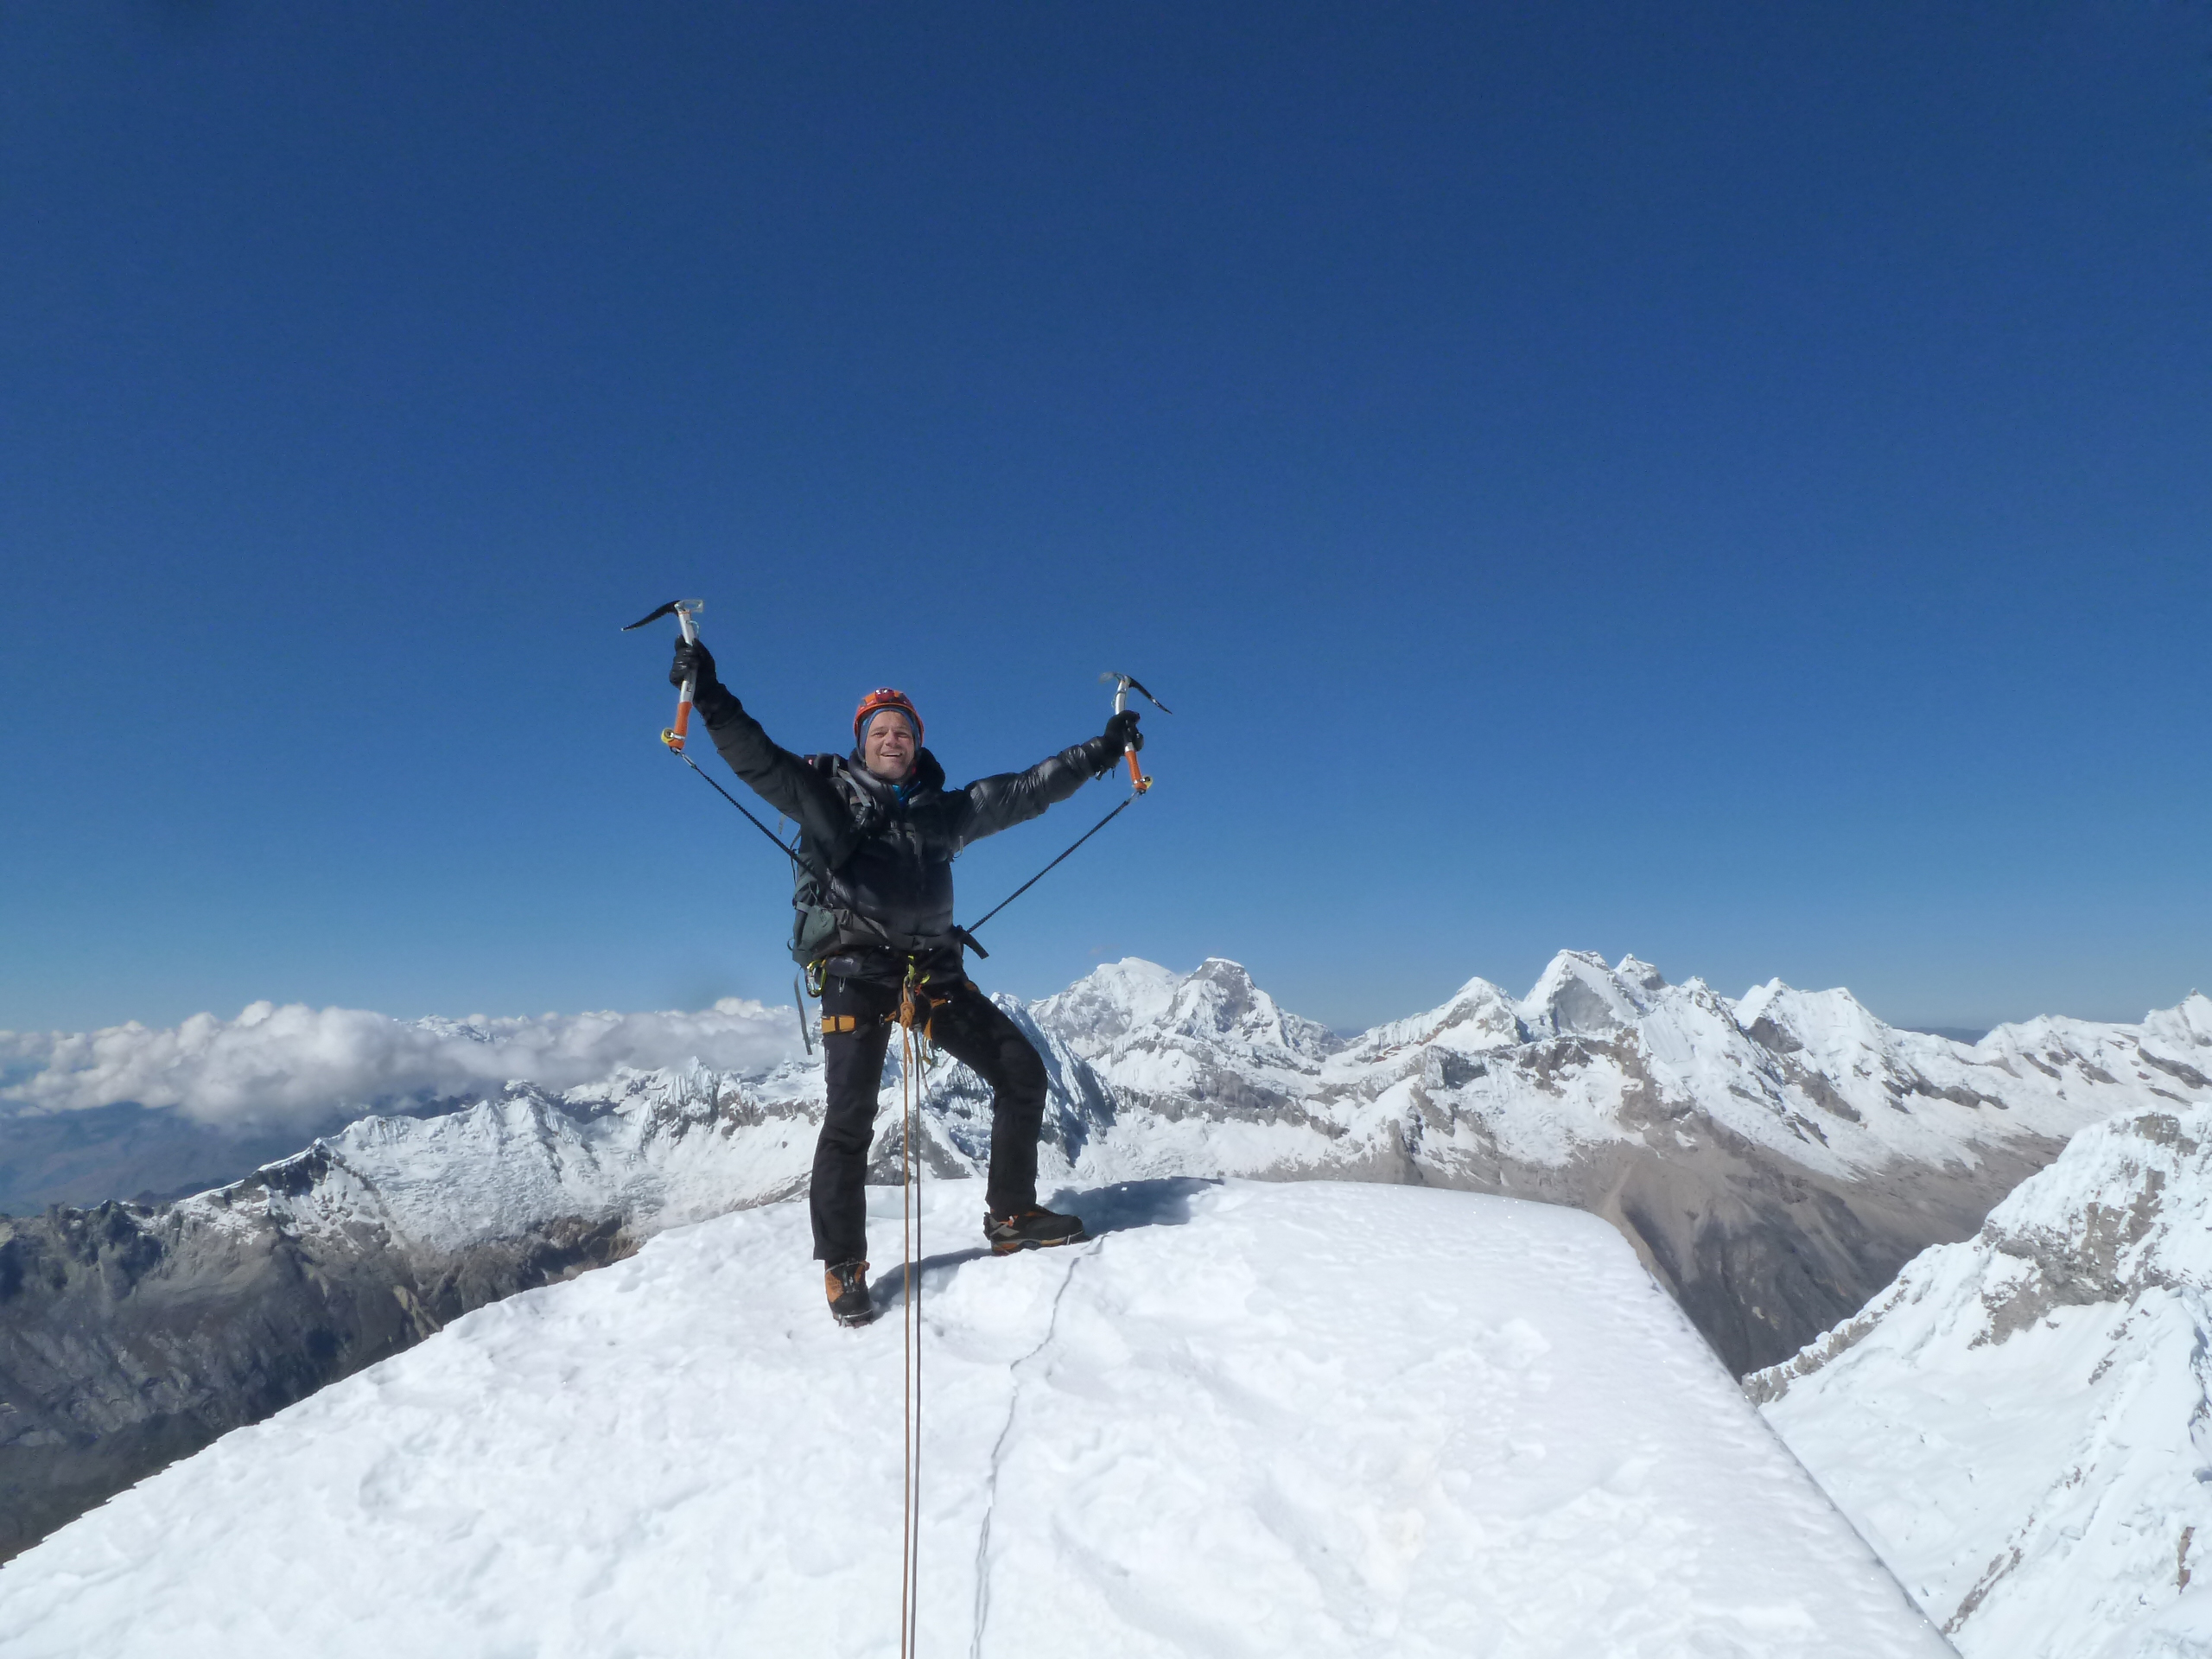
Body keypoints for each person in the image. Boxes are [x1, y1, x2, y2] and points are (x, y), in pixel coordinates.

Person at [670, 635, 1142, 1327]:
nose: (892, 740)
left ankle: (1011, 1215)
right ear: (862, 744)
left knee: (1020, 1072)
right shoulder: (828, 802)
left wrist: (1101, 751)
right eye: (880, 731)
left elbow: (1028, 790)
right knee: (850, 1116)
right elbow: (759, 760)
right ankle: (842, 1262)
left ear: (918, 743)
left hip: (930, 973)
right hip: (855, 972)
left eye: (903, 731)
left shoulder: (943, 812)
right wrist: (708, 694)